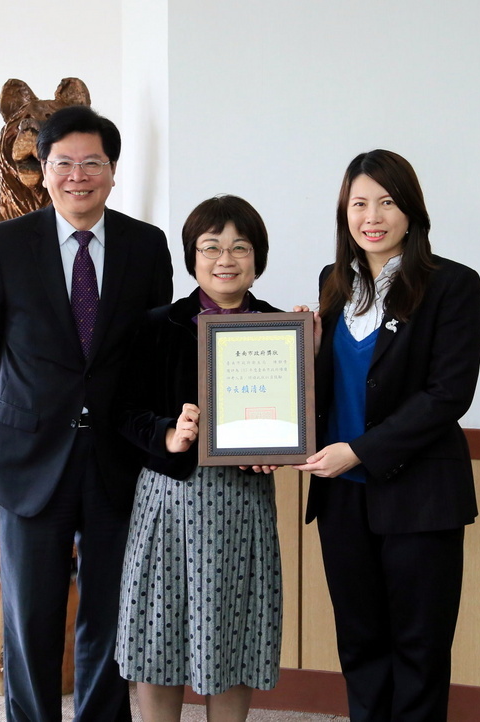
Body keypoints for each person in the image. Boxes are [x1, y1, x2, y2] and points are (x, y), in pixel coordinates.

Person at [0, 105, 173, 722]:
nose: (77, 176)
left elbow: (153, 347)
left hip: (116, 458)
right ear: (44, 170)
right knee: (31, 620)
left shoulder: (145, 245)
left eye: (92, 163)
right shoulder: (3, 245)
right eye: (64, 163)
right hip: (31, 459)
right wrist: (35, 407)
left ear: (112, 172)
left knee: (108, 619)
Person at [293, 150, 480, 722]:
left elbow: (448, 394)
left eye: (386, 202)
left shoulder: (451, 284)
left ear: (411, 212)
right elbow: (330, 386)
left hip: (420, 495)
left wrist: (362, 450)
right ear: (343, 213)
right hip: (341, 495)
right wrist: (308, 348)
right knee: (359, 644)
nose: (371, 216)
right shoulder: (332, 284)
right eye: (358, 203)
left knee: (419, 649)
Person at [115, 195, 283, 722]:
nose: (225, 259)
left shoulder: (281, 330)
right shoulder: (155, 325)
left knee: (231, 633)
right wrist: (169, 432)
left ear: (258, 257)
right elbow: (122, 411)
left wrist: (279, 448)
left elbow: (302, 418)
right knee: (159, 635)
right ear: (192, 256)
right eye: (210, 247)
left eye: (240, 246)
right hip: (170, 497)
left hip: (243, 500)